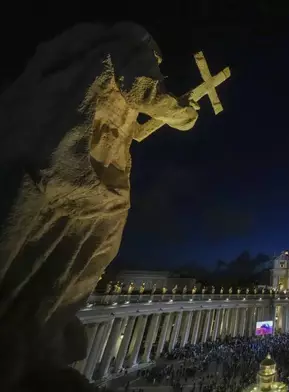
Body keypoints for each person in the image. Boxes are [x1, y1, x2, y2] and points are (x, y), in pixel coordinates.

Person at [0, 22, 198, 390]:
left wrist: (155, 120)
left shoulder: (72, 58)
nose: (155, 64)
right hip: (82, 175)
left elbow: (134, 126)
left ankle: (30, 331)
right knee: (99, 240)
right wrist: (183, 114)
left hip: (60, 165)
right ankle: (38, 330)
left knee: (41, 238)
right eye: (156, 60)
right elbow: (145, 89)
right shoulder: (126, 46)